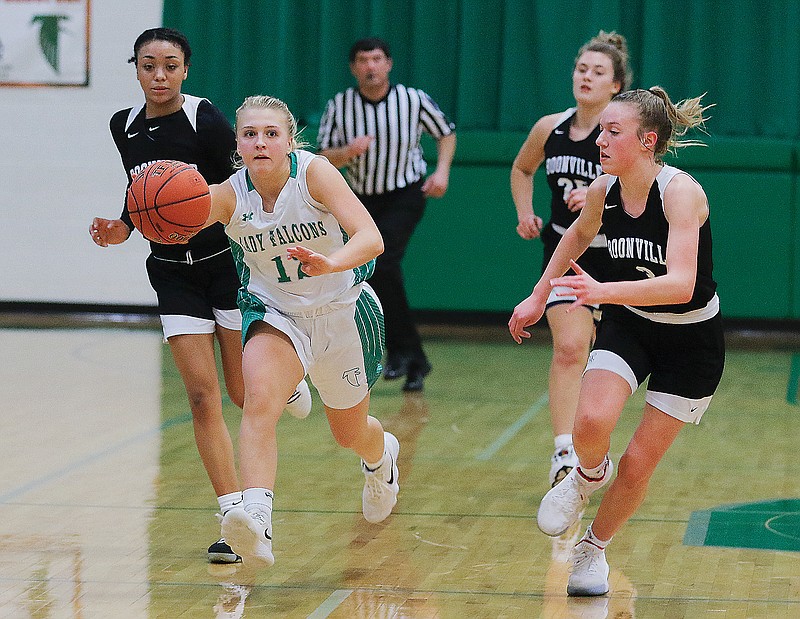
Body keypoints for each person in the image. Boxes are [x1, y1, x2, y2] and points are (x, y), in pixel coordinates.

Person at [88, 28, 311, 564]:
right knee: (200, 396)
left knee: (241, 392)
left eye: (169, 65)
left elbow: (238, 185)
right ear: (136, 69)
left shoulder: (202, 116)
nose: (159, 75)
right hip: (171, 273)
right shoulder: (123, 126)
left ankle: (287, 384)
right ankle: (233, 518)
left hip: (221, 266)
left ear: (185, 69)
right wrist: (122, 228)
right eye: (148, 65)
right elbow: (142, 197)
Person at [508, 87, 725, 596]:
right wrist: (540, 295)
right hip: (633, 324)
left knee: (636, 463)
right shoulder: (604, 188)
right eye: (600, 129)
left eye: (612, 131)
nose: (600, 139)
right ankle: (585, 476)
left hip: (692, 342)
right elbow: (578, 236)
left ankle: (593, 549)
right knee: (590, 421)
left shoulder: (680, 193)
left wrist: (601, 290)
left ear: (647, 141)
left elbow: (682, 283)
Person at [197, 95, 399, 568]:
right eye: (250, 134)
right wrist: (130, 222)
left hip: (342, 310)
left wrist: (331, 261)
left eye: (271, 134)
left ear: (290, 141)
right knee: (258, 401)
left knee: (350, 434)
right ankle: (258, 520)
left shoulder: (315, 175)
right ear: (238, 144)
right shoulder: (228, 195)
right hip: (277, 312)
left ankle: (380, 457)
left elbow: (372, 238)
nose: (260, 142)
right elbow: (173, 220)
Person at [510, 31, 631, 488]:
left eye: (598, 72)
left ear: (616, 85)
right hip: (569, 256)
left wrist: (603, 193)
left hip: (621, 262)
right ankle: (564, 451)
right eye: (582, 69)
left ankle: (597, 448)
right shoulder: (550, 128)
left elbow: (644, 188)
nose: (587, 77)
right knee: (569, 349)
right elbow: (522, 168)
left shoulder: (620, 135)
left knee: (612, 363)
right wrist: (525, 211)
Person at [317, 37, 456, 392]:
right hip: (360, 200)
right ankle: (414, 359)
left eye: (377, 59)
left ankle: (398, 353)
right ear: (353, 68)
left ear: (389, 64)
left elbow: (446, 133)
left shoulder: (413, 99)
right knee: (372, 271)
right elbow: (322, 157)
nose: (370, 66)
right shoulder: (340, 105)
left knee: (383, 262)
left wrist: (441, 172)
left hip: (404, 194)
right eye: (363, 60)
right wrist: (347, 151)